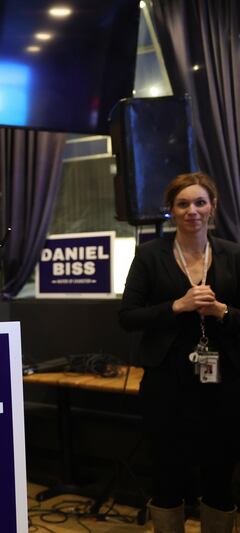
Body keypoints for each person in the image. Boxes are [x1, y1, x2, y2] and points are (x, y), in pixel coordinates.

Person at [119, 172, 240, 532]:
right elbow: (127, 316)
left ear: (213, 207)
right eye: (183, 204)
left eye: (200, 202)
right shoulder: (149, 255)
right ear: (171, 210)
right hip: (166, 381)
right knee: (167, 474)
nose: (192, 211)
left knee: (220, 474)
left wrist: (223, 313)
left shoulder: (233, 254)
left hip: (226, 381)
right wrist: (177, 305)